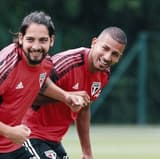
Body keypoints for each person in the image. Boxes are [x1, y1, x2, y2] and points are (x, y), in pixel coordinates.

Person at [0, 11, 88, 159]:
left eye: (43, 40)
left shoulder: (45, 63)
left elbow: (41, 82)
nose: (36, 47)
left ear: (52, 40)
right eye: (30, 39)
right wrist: (9, 131)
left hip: (12, 146)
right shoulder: (5, 67)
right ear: (21, 38)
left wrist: (66, 96)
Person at [23, 26, 127, 159]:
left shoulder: (104, 75)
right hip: (28, 133)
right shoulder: (67, 63)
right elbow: (28, 94)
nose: (107, 57)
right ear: (94, 43)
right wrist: (68, 96)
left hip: (54, 140)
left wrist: (87, 152)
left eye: (115, 54)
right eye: (105, 48)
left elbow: (84, 109)